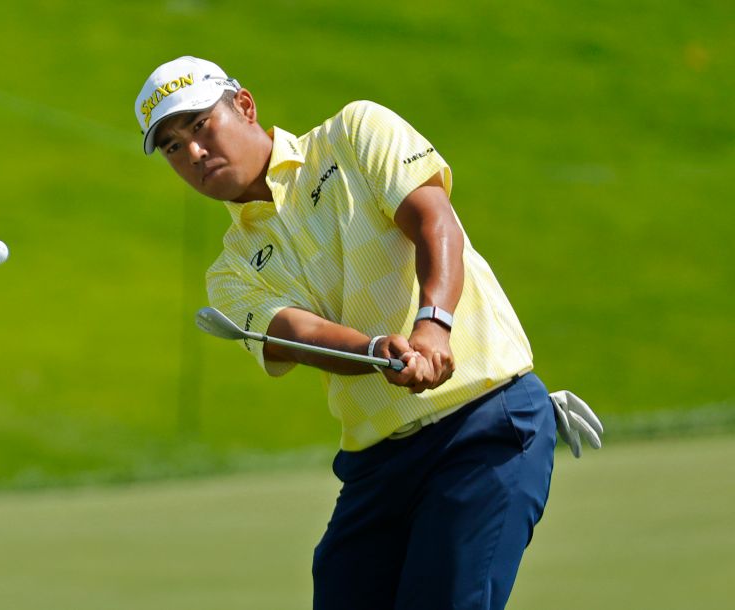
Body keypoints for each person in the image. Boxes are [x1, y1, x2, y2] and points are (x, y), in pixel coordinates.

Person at [134, 56, 602, 610]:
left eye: (199, 125)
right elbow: (297, 333)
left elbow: (433, 220)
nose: (193, 152)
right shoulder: (231, 272)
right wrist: (377, 350)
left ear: (244, 106)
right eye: (171, 146)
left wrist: (434, 327)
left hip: (484, 427)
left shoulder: (354, 134)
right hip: (379, 466)